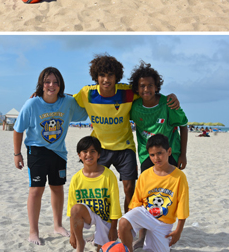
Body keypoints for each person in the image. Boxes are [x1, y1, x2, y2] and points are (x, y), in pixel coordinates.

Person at [74, 54, 179, 212]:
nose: (106, 80)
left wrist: (172, 97)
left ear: (117, 76)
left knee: (129, 188)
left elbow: (149, 93)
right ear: (96, 76)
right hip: (100, 148)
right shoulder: (87, 93)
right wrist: (43, 95)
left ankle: (127, 224)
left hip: (125, 147)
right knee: (100, 189)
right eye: (102, 75)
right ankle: (105, 226)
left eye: (110, 75)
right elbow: (67, 101)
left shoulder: (127, 93)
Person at [13, 67, 88, 245]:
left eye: (56, 82)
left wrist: (66, 93)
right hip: (37, 150)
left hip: (59, 152)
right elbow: (18, 129)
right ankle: (33, 231)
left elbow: (85, 111)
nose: (51, 85)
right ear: (41, 84)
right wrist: (17, 154)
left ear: (61, 85)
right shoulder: (32, 104)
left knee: (57, 188)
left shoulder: (67, 102)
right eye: (47, 82)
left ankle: (57, 225)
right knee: (36, 190)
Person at [118, 134, 189, 252]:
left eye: (160, 153)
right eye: (152, 155)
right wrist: (126, 222)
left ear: (169, 151)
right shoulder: (145, 175)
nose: (156, 158)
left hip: (164, 222)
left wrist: (179, 230)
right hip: (146, 214)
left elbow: (183, 204)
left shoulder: (179, 177)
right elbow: (136, 201)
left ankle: (154, 238)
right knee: (122, 223)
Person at [68, 136, 121, 252]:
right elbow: (71, 208)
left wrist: (114, 228)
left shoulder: (108, 175)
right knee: (76, 208)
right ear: (79, 155)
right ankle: (81, 244)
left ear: (98, 155)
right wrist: (72, 234)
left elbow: (114, 203)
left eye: (92, 151)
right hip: (87, 214)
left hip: (104, 216)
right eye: (85, 152)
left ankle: (100, 240)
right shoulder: (76, 178)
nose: (88, 155)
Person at [129, 61, 188, 173]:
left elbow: (183, 125)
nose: (146, 89)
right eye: (142, 86)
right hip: (147, 155)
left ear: (156, 87)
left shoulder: (169, 104)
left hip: (170, 153)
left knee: (170, 186)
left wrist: (183, 155)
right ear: (136, 89)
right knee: (149, 187)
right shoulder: (134, 107)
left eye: (150, 85)